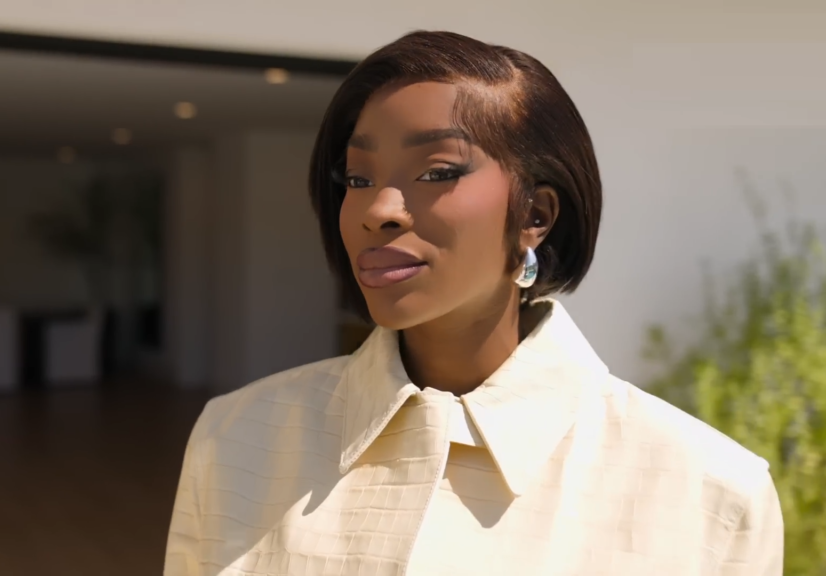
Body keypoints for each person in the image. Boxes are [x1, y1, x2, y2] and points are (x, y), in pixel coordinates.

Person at [165, 31, 784, 576]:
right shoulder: (236, 436)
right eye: (358, 179)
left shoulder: (708, 494)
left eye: (436, 172)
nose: (378, 209)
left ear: (535, 215)